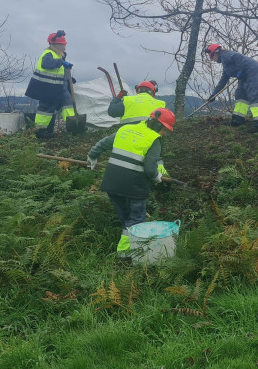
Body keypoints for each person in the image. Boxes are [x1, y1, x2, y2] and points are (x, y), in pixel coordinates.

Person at [86, 108, 175, 257]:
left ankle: (130, 245)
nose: (165, 133)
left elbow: (103, 143)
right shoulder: (154, 139)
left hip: (112, 184)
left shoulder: (125, 129)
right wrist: (157, 178)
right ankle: (125, 254)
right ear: (160, 126)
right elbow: (149, 169)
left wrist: (92, 156)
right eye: (166, 130)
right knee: (136, 221)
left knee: (127, 218)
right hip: (135, 187)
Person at [24, 30, 77, 138]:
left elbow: (61, 72)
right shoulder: (48, 54)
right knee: (46, 109)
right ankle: (39, 131)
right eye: (63, 44)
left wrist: (69, 79)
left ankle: (73, 128)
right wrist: (61, 62)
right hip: (48, 89)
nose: (65, 46)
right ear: (56, 45)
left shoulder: (60, 56)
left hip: (60, 88)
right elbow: (47, 64)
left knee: (68, 106)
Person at [203, 43, 258, 132]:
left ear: (216, 53)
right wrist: (214, 94)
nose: (212, 60)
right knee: (240, 94)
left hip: (253, 72)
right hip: (244, 76)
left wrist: (240, 71)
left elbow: (238, 57)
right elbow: (223, 80)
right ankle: (238, 120)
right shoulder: (225, 65)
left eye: (211, 57)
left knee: (254, 95)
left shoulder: (226, 55)